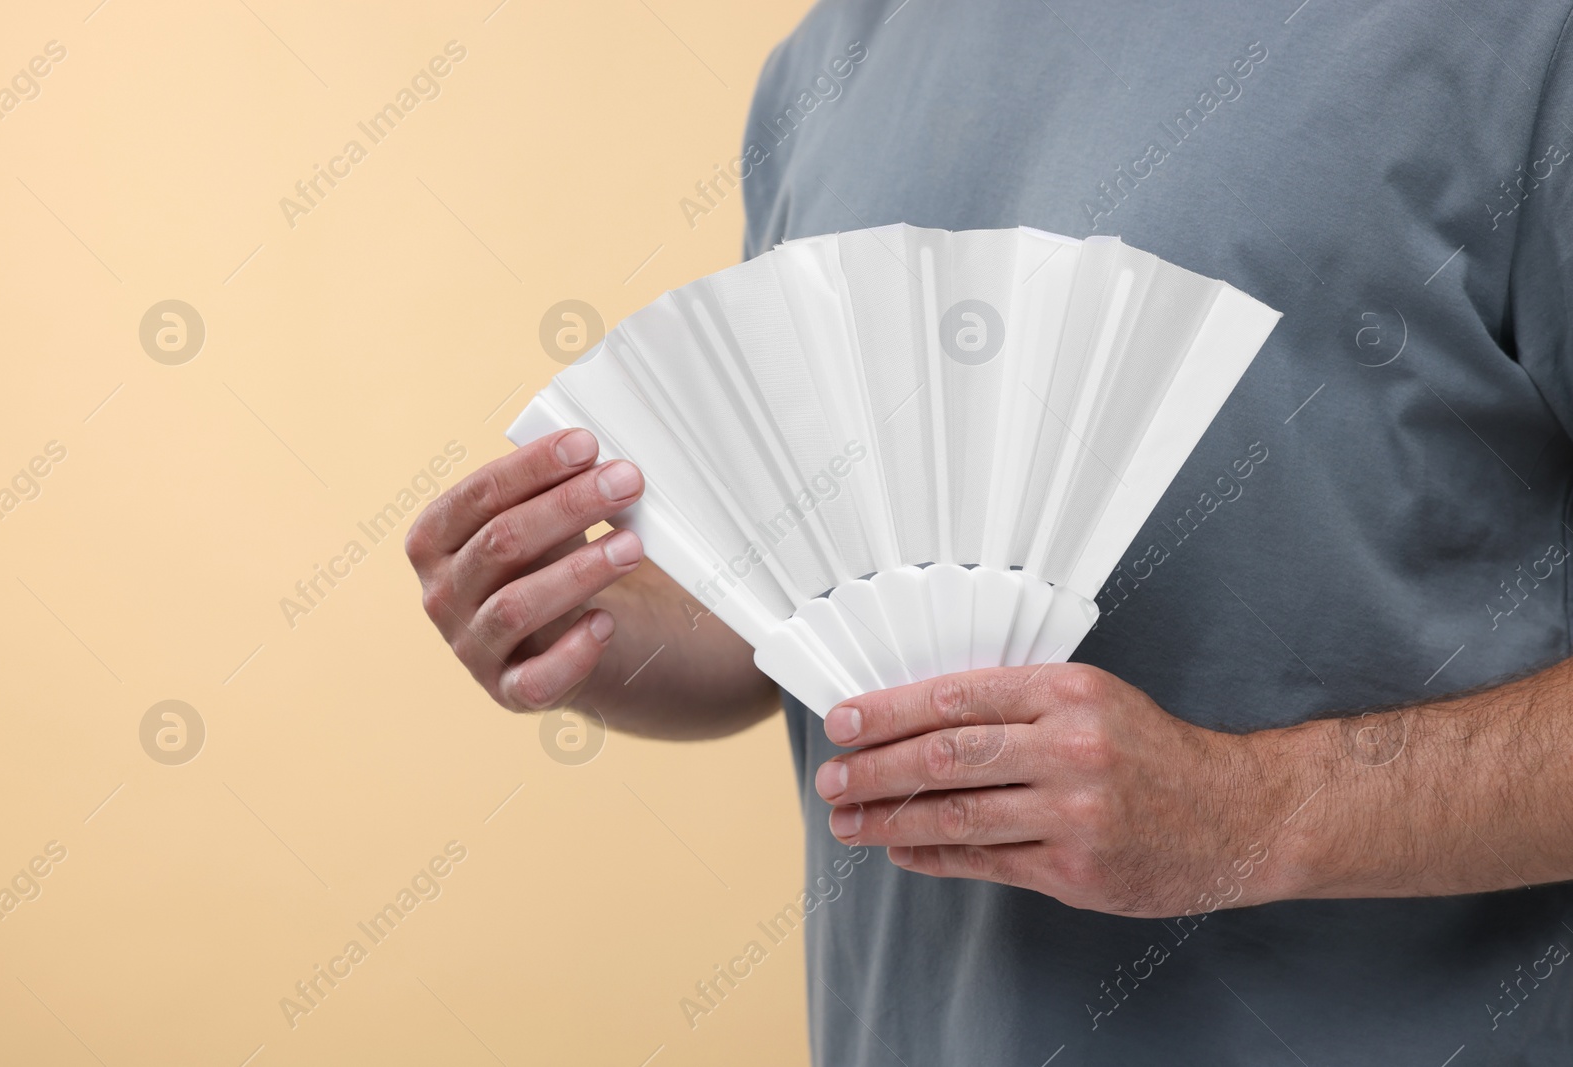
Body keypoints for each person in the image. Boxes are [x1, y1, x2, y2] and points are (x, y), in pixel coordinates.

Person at [405, 0, 1573, 1062]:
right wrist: (596, 619)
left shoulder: (1514, 35)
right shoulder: (826, 62)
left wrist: (1249, 811)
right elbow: (816, 625)